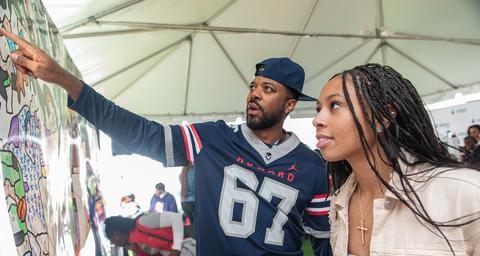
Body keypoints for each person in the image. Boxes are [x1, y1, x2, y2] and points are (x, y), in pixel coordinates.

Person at [2, 29, 332, 255]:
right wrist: (65, 79)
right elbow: (140, 133)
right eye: (253, 85)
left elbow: (324, 243)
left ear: (290, 106)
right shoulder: (214, 138)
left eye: (268, 89)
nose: (255, 94)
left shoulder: (312, 166)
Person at [312, 63, 480, 255]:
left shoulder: (464, 191)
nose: (317, 120)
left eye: (334, 105)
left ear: (381, 117)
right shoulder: (340, 202)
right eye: (318, 109)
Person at [105, 211, 195, 256]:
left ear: (117, 235)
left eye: (112, 240)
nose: (115, 244)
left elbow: (176, 218)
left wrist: (176, 249)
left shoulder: (142, 222)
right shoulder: (134, 245)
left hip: (188, 248)